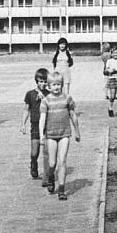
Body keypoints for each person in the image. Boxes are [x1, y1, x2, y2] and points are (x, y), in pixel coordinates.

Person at [39, 72, 81, 200]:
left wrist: (77, 131)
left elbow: (73, 114)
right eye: (53, 85)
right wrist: (41, 135)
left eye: (58, 85)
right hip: (51, 135)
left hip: (64, 133)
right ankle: (51, 176)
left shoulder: (67, 98)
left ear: (62, 85)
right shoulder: (45, 101)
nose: (56, 87)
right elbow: (42, 118)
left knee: (62, 161)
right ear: (49, 86)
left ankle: (62, 189)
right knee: (52, 163)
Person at [19, 68, 49, 180]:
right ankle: (33, 163)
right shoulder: (30, 94)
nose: (43, 84)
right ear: (36, 81)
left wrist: (45, 98)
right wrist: (23, 124)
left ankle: (47, 173)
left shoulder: (50, 94)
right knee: (34, 151)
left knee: (47, 151)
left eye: (45, 81)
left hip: (47, 125)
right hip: (35, 125)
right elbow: (26, 109)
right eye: (41, 81)